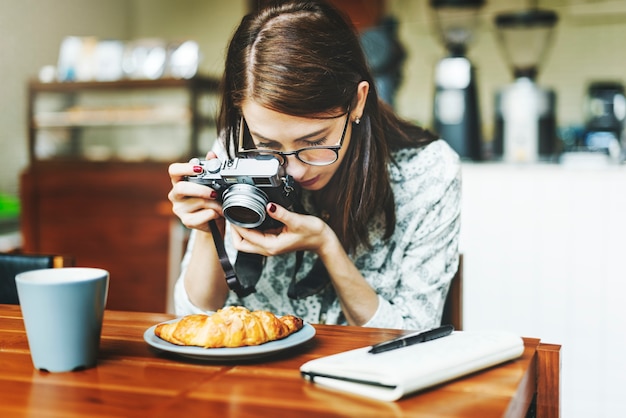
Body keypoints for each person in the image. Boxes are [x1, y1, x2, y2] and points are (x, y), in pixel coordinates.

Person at [168, 0, 461, 330]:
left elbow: (414, 335)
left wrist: (326, 245)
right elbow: (193, 320)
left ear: (357, 101)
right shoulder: (236, 151)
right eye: (269, 145)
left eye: (313, 141)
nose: (294, 170)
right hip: (252, 377)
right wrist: (210, 227)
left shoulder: (427, 173)